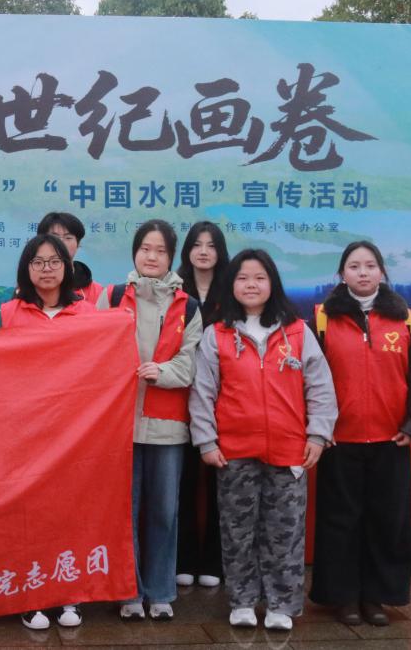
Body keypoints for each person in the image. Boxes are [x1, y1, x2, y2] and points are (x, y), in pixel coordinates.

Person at [189, 249, 338, 631]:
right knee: (237, 531)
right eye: (242, 278)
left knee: (284, 533)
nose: (251, 285)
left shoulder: (297, 331)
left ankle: (281, 605)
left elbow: (320, 387)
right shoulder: (217, 334)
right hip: (234, 451)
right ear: (230, 285)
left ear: (273, 283)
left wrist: (318, 434)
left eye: (259, 277)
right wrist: (207, 441)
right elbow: (203, 391)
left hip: (289, 451)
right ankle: (241, 600)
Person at [310, 241, 411, 627]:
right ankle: (344, 597)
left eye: (370, 265)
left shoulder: (404, 318)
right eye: (354, 266)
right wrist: (318, 428)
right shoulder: (322, 319)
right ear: (341, 274)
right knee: (340, 522)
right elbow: (308, 380)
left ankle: (376, 597)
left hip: (390, 440)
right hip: (339, 441)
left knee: (387, 521)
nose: (362, 272)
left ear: (382, 272)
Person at [102, 220, 203, 622]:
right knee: (122, 512)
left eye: (160, 251)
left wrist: (161, 371)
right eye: (145, 248)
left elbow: (191, 363)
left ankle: (160, 591)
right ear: (134, 251)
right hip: (118, 425)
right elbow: (92, 351)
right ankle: (128, 591)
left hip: (167, 425)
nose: (151, 256)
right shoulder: (112, 298)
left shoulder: (188, 307)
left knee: (164, 511)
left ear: (171, 257)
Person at [0, 234, 93, 630]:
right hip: (25, 431)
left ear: (67, 267)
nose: (47, 269)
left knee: (70, 511)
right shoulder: (9, 312)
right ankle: (30, 596)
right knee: (29, 515)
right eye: (37, 262)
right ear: (27, 268)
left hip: (74, 431)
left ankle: (69, 593)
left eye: (54, 261)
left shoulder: (87, 313)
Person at [173, 222, 229, 590]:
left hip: (224, 399)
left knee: (221, 483)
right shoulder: (175, 289)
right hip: (179, 396)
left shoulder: (232, 289)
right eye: (197, 244)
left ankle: (215, 559)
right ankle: (184, 557)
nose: (204, 251)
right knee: (184, 481)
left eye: (211, 245)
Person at [37, 211, 105, 304]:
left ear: (78, 244)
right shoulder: (28, 289)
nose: (61, 242)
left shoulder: (97, 292)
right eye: (54, 237)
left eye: (68, 238)